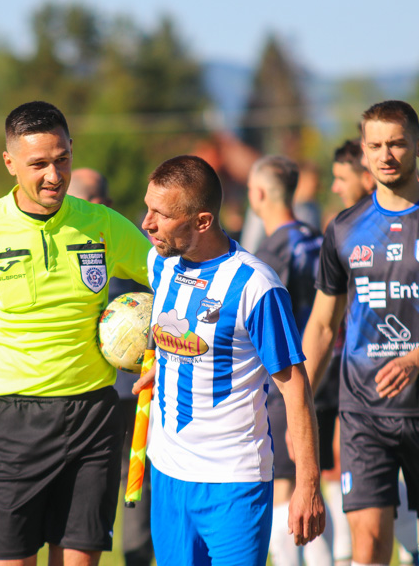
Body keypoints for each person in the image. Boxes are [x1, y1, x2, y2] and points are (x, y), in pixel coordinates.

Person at [0, 101, 152, 566]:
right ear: (9, 163)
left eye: (62, 159)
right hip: (12, 423)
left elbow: (172, 284)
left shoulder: (103, 225)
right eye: (38, 164)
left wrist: (162, 356)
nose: (54, 174)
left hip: (93, 417)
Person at [301, 101, 419, 566]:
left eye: (397, 143)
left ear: (418, 146)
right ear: (363, 153)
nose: (385, 155)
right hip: (364, 413)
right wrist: (296, 404)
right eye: (375, 146)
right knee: (367, 546)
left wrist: (413, 361)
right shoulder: (344, 229)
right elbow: (323, 326)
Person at [136, 154, 325, 566]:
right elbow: (194, 342)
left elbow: (295, 387)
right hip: (167, 475)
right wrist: (163, 367)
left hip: (233, 483)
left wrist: (307, 483)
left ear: (202, 221)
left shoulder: (256, 286)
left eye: (161, 214)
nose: (147, 223)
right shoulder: (159, 263)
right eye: (147, 208)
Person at [330, 140, 419, 566]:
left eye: (341, 179)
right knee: (366, 523)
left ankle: (416, 550)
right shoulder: (343, 229)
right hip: (356, 393)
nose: (335, 187)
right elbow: (322, 319)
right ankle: (351, 552)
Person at [247, 155, 332, 566]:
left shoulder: (270, 251)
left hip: (287, 387)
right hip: (329, 376)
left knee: (285, 487)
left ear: (258, 194)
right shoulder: (317, 238)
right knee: (326, 481)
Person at [68, 168, 154, 566]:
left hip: (119, 392)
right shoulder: (124, 245)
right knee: (130, 482)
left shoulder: (120, 247)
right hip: (108, 393)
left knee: (127, 481)